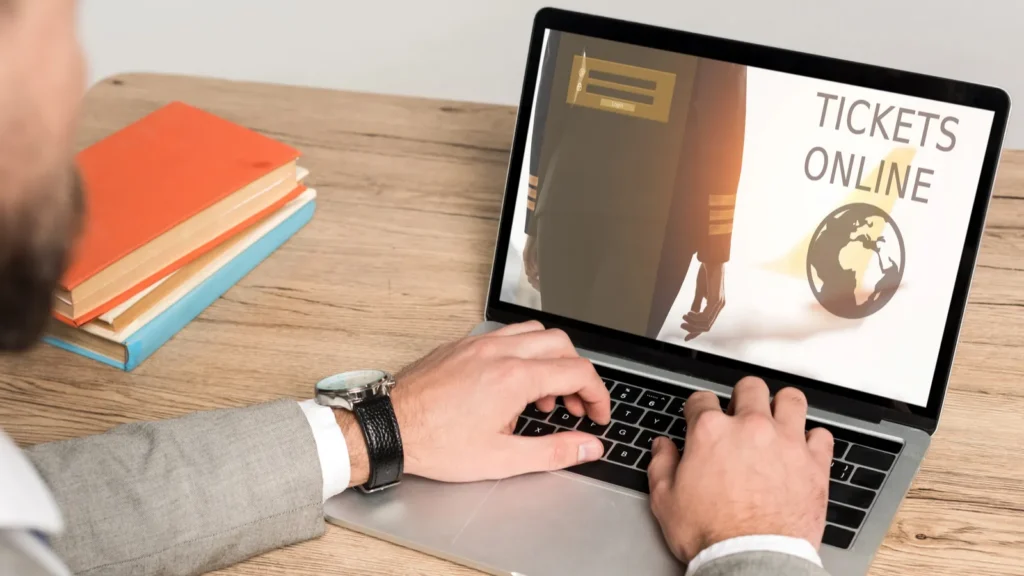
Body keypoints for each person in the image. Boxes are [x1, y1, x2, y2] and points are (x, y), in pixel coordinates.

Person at [0, 2, 833, 575]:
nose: (74, 67)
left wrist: (376, 431)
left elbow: (46, 522)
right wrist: (752, 545)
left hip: (654, 239)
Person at [521, 31, 746, 341]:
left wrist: (536, 214)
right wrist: (715, 252)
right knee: (608, 364)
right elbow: (722, 118)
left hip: (568, 187)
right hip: (659, 207)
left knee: (563, 360)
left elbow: (554, 88)